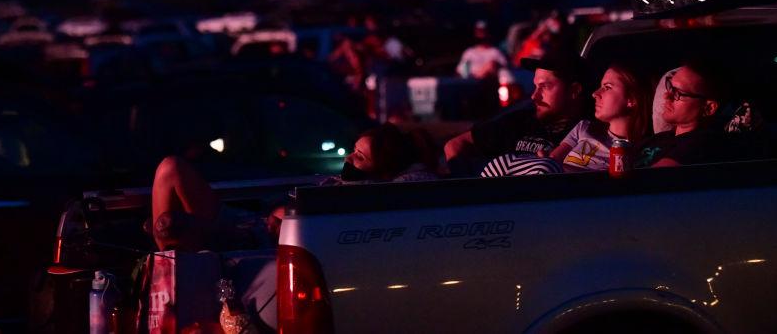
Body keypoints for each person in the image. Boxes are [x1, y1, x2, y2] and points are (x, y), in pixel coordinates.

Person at [151, 124, 438, 251]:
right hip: (247, 222)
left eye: (360, 157)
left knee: (168, 225)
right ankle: (168, 260)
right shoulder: (340, 182)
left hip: (252, 242)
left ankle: (170, 266)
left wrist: (283, 224)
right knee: (171, 169)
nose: (349, 158)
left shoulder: (365, 197)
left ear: (381, 170)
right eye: (353, 149)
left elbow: (420, 183)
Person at [444, 48, 589, 176]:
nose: (534, 96)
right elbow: (455, 145)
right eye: (535, 86)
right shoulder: (518, 121)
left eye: (544, 86)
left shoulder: (590, 134)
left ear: (575, 90)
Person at [543, 63, 652, 172]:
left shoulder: (644, 151)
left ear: (631, 100)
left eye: (607, 87)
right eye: (600, 86)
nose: (595, 94)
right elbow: (553, 162)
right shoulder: (584, 127)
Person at [635, 62, 725, 167]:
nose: (666, 96)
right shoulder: (658, 138)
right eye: (670, 87)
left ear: (709, 108)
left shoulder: (703, 145)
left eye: (678, 92)